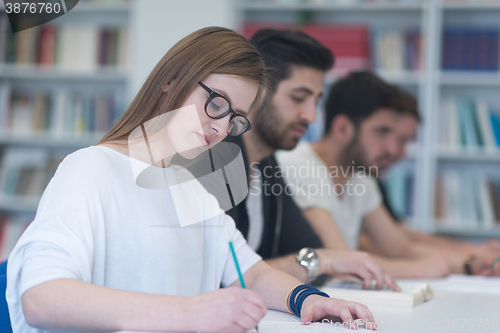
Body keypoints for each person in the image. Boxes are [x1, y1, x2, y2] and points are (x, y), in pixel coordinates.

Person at [6, 27, 376, 333]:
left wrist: (309, 300)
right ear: (171, 81)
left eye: (235, 118)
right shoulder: (90, 169)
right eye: (216, 102)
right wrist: (190, 313)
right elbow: (41, 298)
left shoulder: (187, 187)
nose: (221, 128)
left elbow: (250, 272)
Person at [215, 28, 397, 290]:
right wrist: (319, 262)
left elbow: (313, 252)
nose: (310, 117)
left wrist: (319, 262)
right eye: (298, 98)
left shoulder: (267, 167)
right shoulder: (218, 157)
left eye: (315, 101)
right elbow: (219, 275)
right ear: (256, 91)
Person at [277, 71, 500, 278]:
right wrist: (421, 269)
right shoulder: (298, 165)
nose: (392, 149)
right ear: (342, 128)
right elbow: (340, 262)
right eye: (381, 132)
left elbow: (400, 246)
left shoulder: (359, 177)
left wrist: (472, 262)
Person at [358, 88, 500, 269]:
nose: (396, 151)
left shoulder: (368, 178)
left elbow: (400, 236)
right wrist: (469, 261)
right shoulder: (359, 176)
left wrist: (472, 251)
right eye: (400, 139)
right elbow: (370, 245)